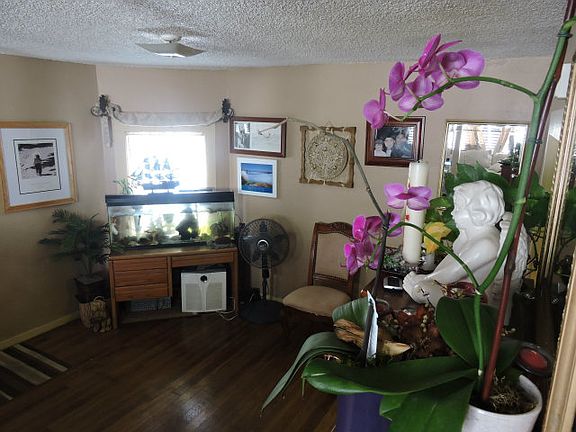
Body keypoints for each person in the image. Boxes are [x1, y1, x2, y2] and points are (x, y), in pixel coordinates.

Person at [402, 180, 527, 312]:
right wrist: (427, 278)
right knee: (423, 286)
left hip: (474, 303)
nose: (452, 213)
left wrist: (425, 279)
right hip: (457, 290)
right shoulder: (470, 238)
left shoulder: (487, 244)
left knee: (423, 289)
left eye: (458, 208)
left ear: (479, 214)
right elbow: (447, 266)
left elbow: (451, 274)